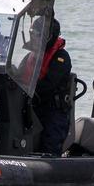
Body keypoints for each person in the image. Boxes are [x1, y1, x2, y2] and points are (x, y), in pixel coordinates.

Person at [27, 18, 72, 155]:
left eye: (36, 33)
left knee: (50, 144)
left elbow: (49, 84)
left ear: (47, 36)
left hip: (53, 110)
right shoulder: (31, 56)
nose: (33, 36)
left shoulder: (61, 57)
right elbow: (17, 74)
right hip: (32, 106)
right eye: (32, 32)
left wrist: (26, 90)